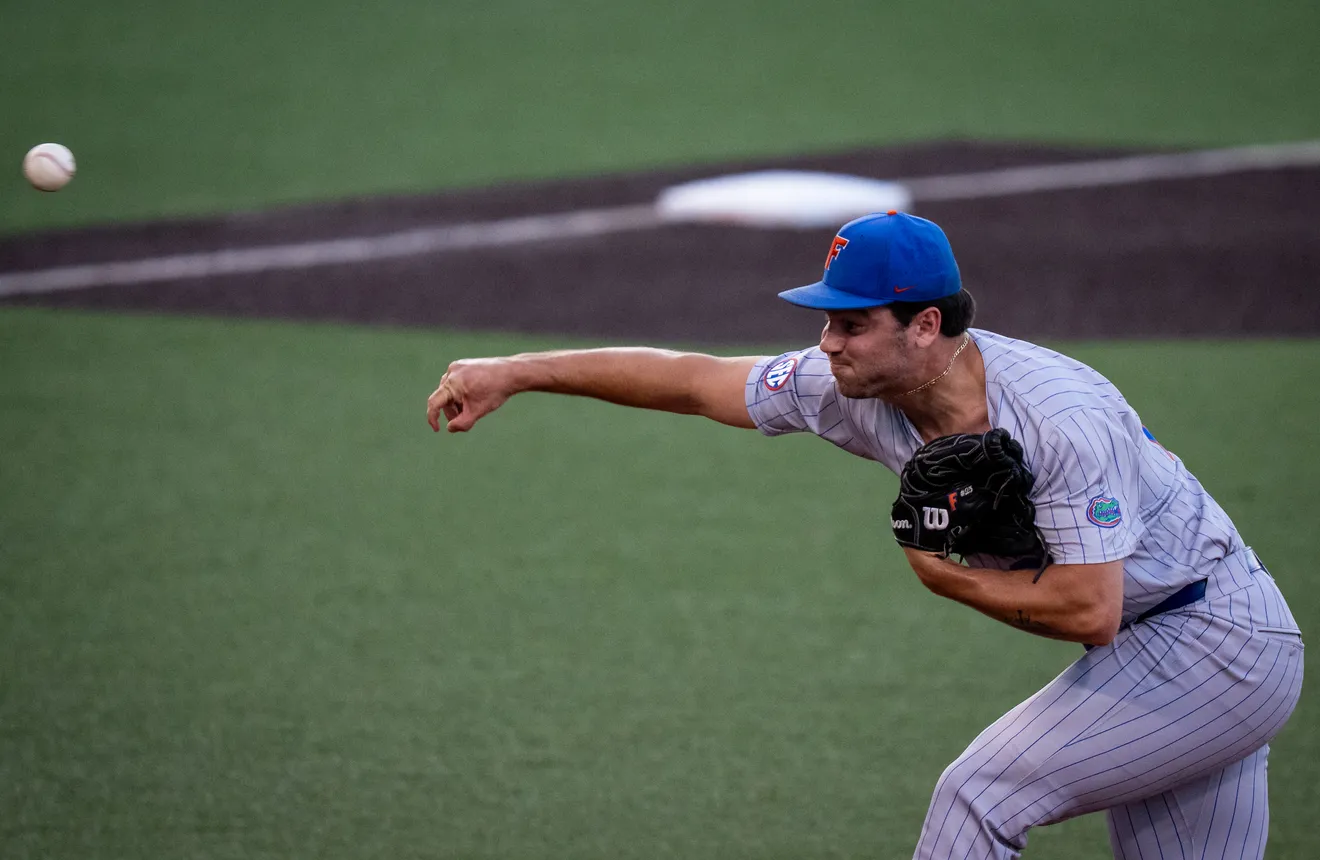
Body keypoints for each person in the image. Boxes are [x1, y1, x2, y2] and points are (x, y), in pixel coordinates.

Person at [426, 210, 1303, 859]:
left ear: (925, 326)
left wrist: (944, 576)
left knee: (978, 797)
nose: (828, 343)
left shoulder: (1060, 418)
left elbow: (1091, 609)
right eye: (827, 319)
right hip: (1172, 647)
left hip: (1213, 640)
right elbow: (695, 380)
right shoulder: (846, 386)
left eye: (851, 323)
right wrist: (516, 372)